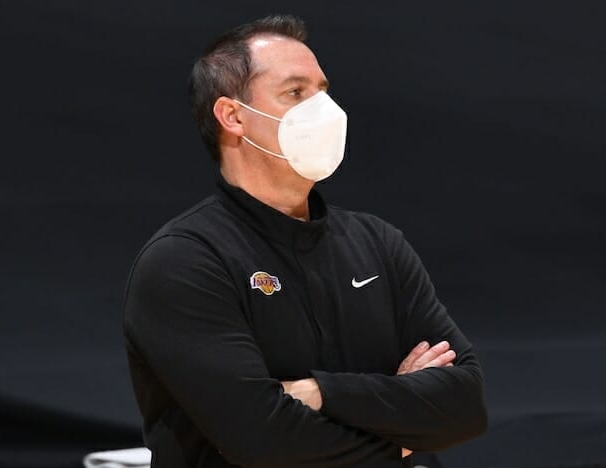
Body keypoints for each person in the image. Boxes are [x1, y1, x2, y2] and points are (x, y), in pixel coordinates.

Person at [123, 14, 487, 468]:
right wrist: (400, 433)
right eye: (296, 93)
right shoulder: (185, 260)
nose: (325, 110)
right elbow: (260, 439)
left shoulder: (379, 242)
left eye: (323, 90)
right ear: (233, 116)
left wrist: (318, 393)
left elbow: (465, 405)